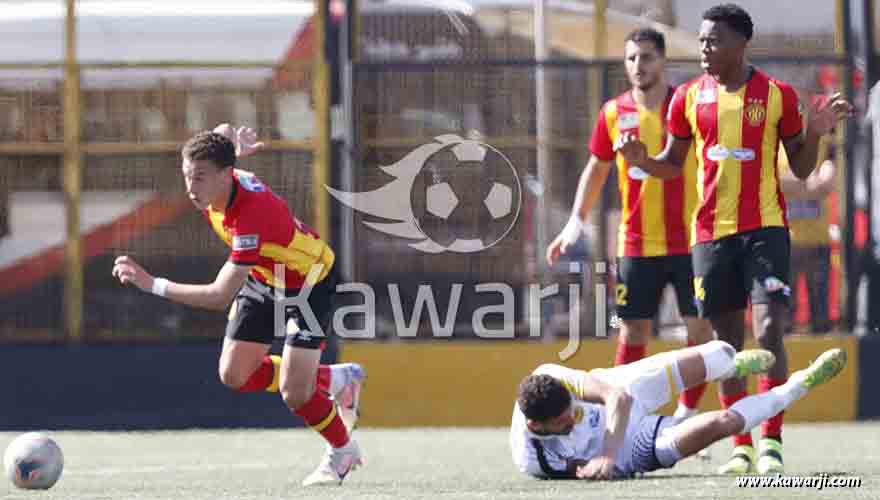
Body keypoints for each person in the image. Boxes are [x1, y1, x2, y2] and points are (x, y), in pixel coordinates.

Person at [616, 4, 853, 474]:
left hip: (765, 230)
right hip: (709, 237)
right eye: (703, 40)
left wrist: (815, 133)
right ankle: (740, 444)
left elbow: (802, 166)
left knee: (768, 331)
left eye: (715, 40)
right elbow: (670, 164)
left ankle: (772, 441)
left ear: (741, 44)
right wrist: (642, 160)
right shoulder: (687, 97)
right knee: (726, 348)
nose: (705, 47)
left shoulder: (777, 95)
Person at [111, 124, 364, 486]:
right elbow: (220, 137)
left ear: (226, 174)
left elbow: (219, 296)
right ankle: (336, 379)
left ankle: (343, 449)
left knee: (296, 394)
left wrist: (153, 285)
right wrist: (230, 141)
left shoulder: (250, 215)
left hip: (309, 283)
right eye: (187, 175)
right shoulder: (220, 182)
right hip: (264, 276)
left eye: (200, 177)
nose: (191, 187)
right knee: (235, 375)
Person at [546, 28, 712, 422]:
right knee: (633, 332)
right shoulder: (613, 112)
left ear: (663, 60)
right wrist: (574, 223)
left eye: (647, 57)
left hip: (692, 242)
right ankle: (623, 416)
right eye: (632, 58)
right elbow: (596, 169)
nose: (639, 65)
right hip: (636, 244)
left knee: (699, 332)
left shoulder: (686, 105)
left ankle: (685, 416)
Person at [509, 342, 846, 480]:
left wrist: (606, 455)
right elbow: (587, 472)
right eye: (563, 423)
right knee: (723, 422)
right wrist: (608, 461)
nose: (572, 420)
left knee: (719, 353)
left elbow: (617, 397)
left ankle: (730, 368)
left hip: (620, 389)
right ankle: (800, 384)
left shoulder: (550, 376)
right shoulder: (532, 458)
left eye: (571, 411)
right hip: (630, 449)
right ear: (536, 426)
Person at [779, 129, 835, 334]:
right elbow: (775, 180)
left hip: (818, 241)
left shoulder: (825, 144)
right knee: (785, 317)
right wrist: (809, 183)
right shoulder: (778, 145)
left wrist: (794, 185)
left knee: (820, 317)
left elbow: (825, 184)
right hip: (787, 241)